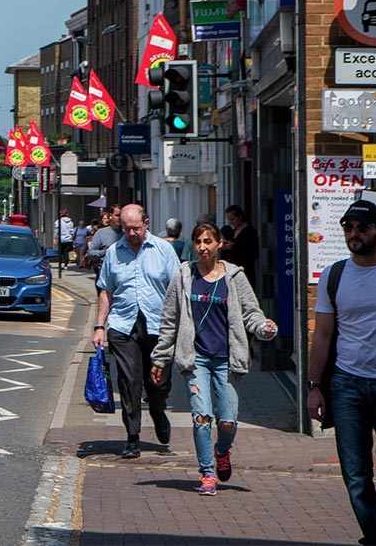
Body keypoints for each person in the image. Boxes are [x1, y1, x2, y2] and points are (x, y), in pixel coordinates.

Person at [150, 222, 278, 495]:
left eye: (208, 241)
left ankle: (222, 451)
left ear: (219, 244)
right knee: (201, 417)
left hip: (226, 361)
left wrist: (263, 328)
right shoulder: (184, 275)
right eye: (198, 242)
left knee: (228, 421)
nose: (202, 247)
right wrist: (160, 358)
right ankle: (207, 474)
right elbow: (169, 320)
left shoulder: (234, 277)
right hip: (196, 360)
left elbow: (250, 313)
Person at [309, 199, 376, 545]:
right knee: (356, 474)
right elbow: (323, 334)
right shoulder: (335, 275)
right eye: (347, 228)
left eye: (361, 228)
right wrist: (314, 387)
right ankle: (375, 538)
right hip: (347, 386)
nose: (353, 234)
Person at [94, 203, 181, 459]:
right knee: (129, 382)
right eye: (126, 229)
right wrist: (100, 325)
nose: (131, 234)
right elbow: (106, 290)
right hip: (123, 326)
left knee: (158, 384)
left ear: (147, 223)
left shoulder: (163, 250)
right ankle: (132, 437)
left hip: (157, 326)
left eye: (136, 228)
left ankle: (158, 411)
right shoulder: (114, 252)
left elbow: (177, 290)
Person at [221, 205, 258, 274]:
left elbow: (252, 251)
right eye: (228, 220)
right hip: (231, 268)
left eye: (232, 219)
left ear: (240, 217)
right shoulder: (231, 231)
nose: (230, 222)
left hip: (245, 269)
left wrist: (234, 247)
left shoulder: (249, 231)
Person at [86, 205, 121, 272]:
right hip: (106, 273)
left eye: (121, 215)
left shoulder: (129, 233)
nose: (120, 218)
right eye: (117, 215)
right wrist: (105, 252)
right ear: (110, 216)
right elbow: (90, 253)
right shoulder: (101, 233)